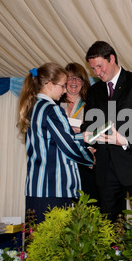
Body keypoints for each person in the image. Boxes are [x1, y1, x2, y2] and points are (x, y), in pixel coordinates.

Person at [81, 41, 132, 222]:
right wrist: (87, 141)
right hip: (106, 171)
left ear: (112, 59)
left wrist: (124, 140)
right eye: (93, 69)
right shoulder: (93, 91)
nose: (97, 72)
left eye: (99, 66)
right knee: (110, 226)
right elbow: (89, 124)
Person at [17, 62, 94, 224]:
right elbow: (68, 146)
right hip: (55, 189)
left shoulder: (34, 106)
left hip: (36, 187)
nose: (65, 90)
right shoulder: (52, 109)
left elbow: (52, 140)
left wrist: (83, 137)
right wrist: (88, 157)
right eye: (62, 86)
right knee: (57, 245)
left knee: (37, 243)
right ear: (50, 85)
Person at [59, 62, 99, 205]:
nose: (74, 82)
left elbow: (98, 132)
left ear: (84, 82)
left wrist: (82, 130)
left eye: (78, 78)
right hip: (61, 162)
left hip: (84, 161)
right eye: (70, 78)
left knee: (86, 204)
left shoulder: (91, 104)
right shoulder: (55, 104)